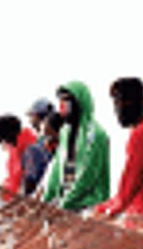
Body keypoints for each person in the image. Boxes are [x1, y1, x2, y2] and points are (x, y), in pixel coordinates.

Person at [95, 77, 143, 218]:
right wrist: (101, 209)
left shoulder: (141, 134)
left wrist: (102, 213)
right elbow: (124, 191)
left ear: (131, 103)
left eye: (118, 102)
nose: (116, 110)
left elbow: (128, 189)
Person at [40, 81, 110, 212]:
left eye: (67, 100)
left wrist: (65, 203)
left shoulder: (96, 134)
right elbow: (57, 171)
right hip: (67, 204)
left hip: (90, 205)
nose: (63, 106)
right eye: (61, 100)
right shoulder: (65, 132)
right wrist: (45, 201)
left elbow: (88, 176)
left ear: (79, 102)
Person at [0, 114, 49, 197]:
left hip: (30, 202)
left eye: (0, 140)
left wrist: (15, 203)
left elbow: (30, 183)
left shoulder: (31, 151)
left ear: (8, 137)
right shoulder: (15, 151)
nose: (1, 144)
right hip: (14, 199)